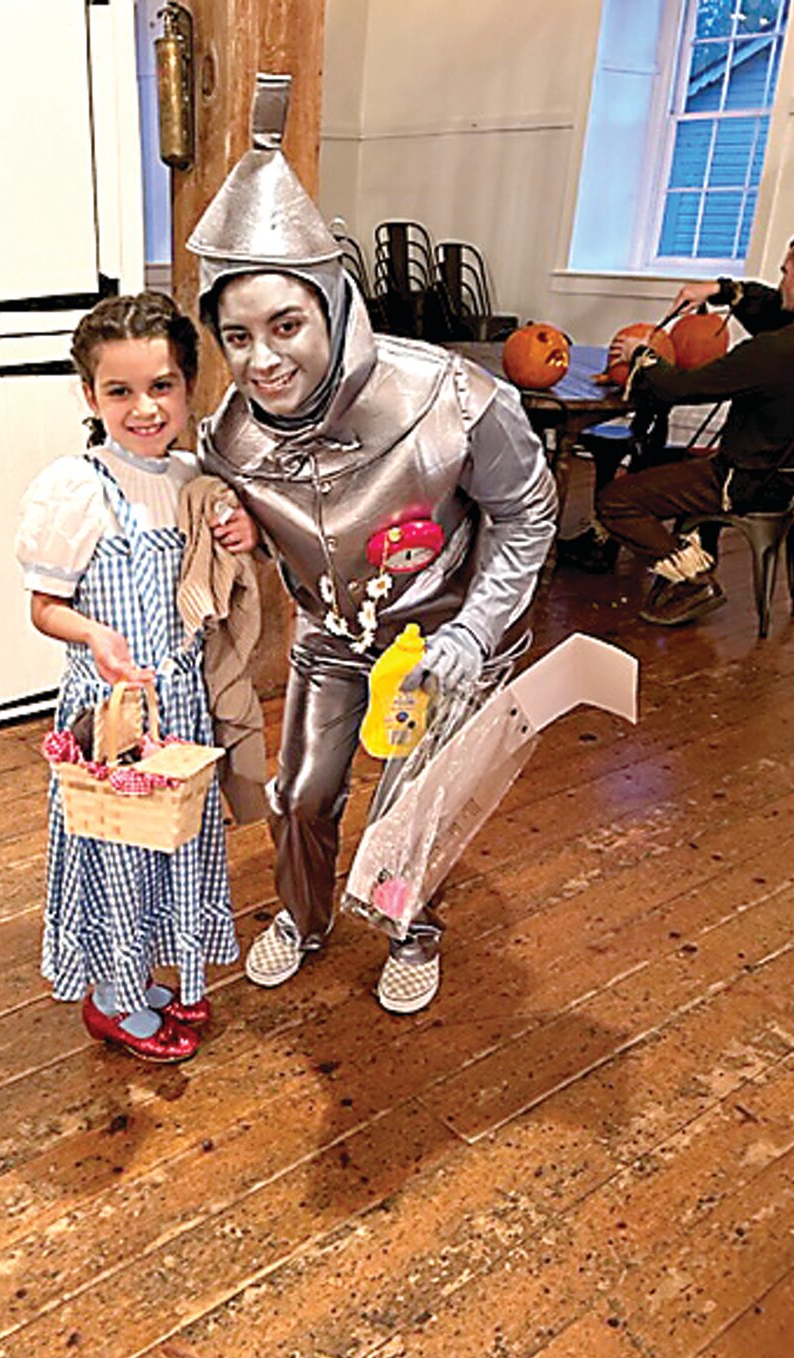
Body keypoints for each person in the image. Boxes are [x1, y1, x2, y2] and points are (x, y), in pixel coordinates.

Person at [188, 74, 558, 1015]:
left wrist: (472, 636)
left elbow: (525, 513)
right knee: (302, 795)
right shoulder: (227, 435)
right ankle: (304, 918)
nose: (262, 358)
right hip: (331, 641)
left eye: (285, 325)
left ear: (333, 310)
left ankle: (411, 927)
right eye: (236, 336)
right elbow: (228, 526)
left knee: (411, 809)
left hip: (441, 644)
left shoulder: (458, 399)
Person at [15, 291, 251, 1061]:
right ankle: (113, 997)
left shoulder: (191, 479)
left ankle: (153, 973)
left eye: (162, 386)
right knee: (118, 852)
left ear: (189, 387)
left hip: (179, 703)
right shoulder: (77, 488)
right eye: (119, 391)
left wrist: (237, 530)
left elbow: (216, 570)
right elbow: (44, 607)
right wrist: (96, 636)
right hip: (113, 712)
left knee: (173, 847)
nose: (144, 408)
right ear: (90, 396)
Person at [594, 234, 794, 627]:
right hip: (787, 480)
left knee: (615, 500)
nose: (780, 284)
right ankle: (615, 547)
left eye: (786, 272)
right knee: (654, 459)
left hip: (744, 480)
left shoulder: (771, 353)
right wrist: (718, 290)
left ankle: (695, 578)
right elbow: (771, 307)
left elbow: (681, 388)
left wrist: (641, 356)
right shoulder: (785, 342)